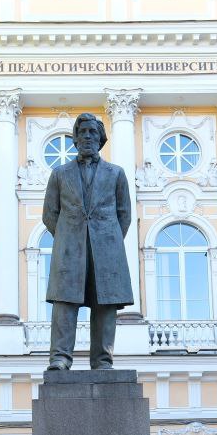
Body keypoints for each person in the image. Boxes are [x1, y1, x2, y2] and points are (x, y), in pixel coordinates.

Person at [43, 112, 133, 371]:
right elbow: (49, 214)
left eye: (92, 132)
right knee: (64, 302)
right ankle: (60, 357)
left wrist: (107, 240)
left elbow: (124, 214)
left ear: (101, 138)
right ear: (75, 139)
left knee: (105, 303)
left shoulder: (116, 174)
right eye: (82, 132)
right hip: (70, 249)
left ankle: (103, 360)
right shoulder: (60, 174)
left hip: (106, 249)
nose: (87, 137)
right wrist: (68, 238)